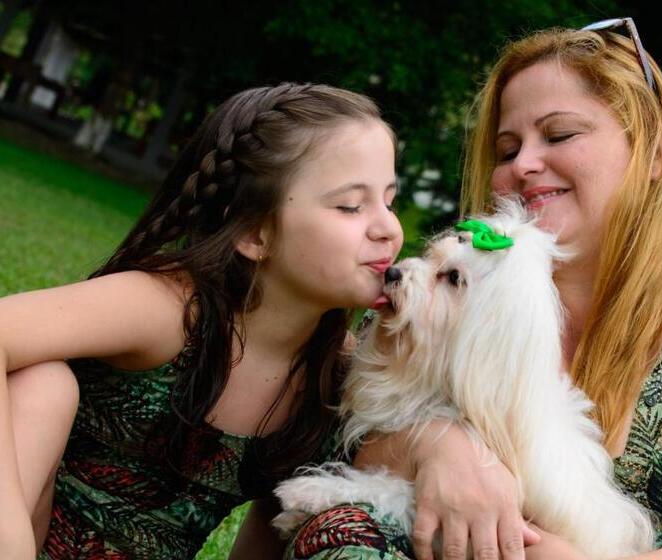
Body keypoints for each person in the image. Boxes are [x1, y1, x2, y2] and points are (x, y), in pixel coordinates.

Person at [286, 19, 662, 560]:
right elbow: (323, 447)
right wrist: (432, 447)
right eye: (506, 149)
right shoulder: (434, 293)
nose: (523, 165)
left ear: (656, 152)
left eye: (559, 135)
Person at [0, 82, 404, 559]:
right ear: (255, 233)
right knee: (42, 385)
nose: (388, 228)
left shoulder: (332, 378)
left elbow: (273, 532)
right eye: (351, 206)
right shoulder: (170, 309)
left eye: (389, 201)